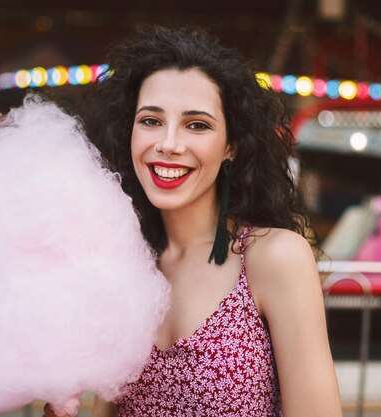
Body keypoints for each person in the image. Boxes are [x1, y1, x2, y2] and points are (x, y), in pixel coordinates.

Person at [46, 26, 342, 417]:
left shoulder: (273, 257)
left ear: (231, 146)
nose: (168, 143)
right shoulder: (124, 264)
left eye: (197, 125)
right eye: (150, 120)